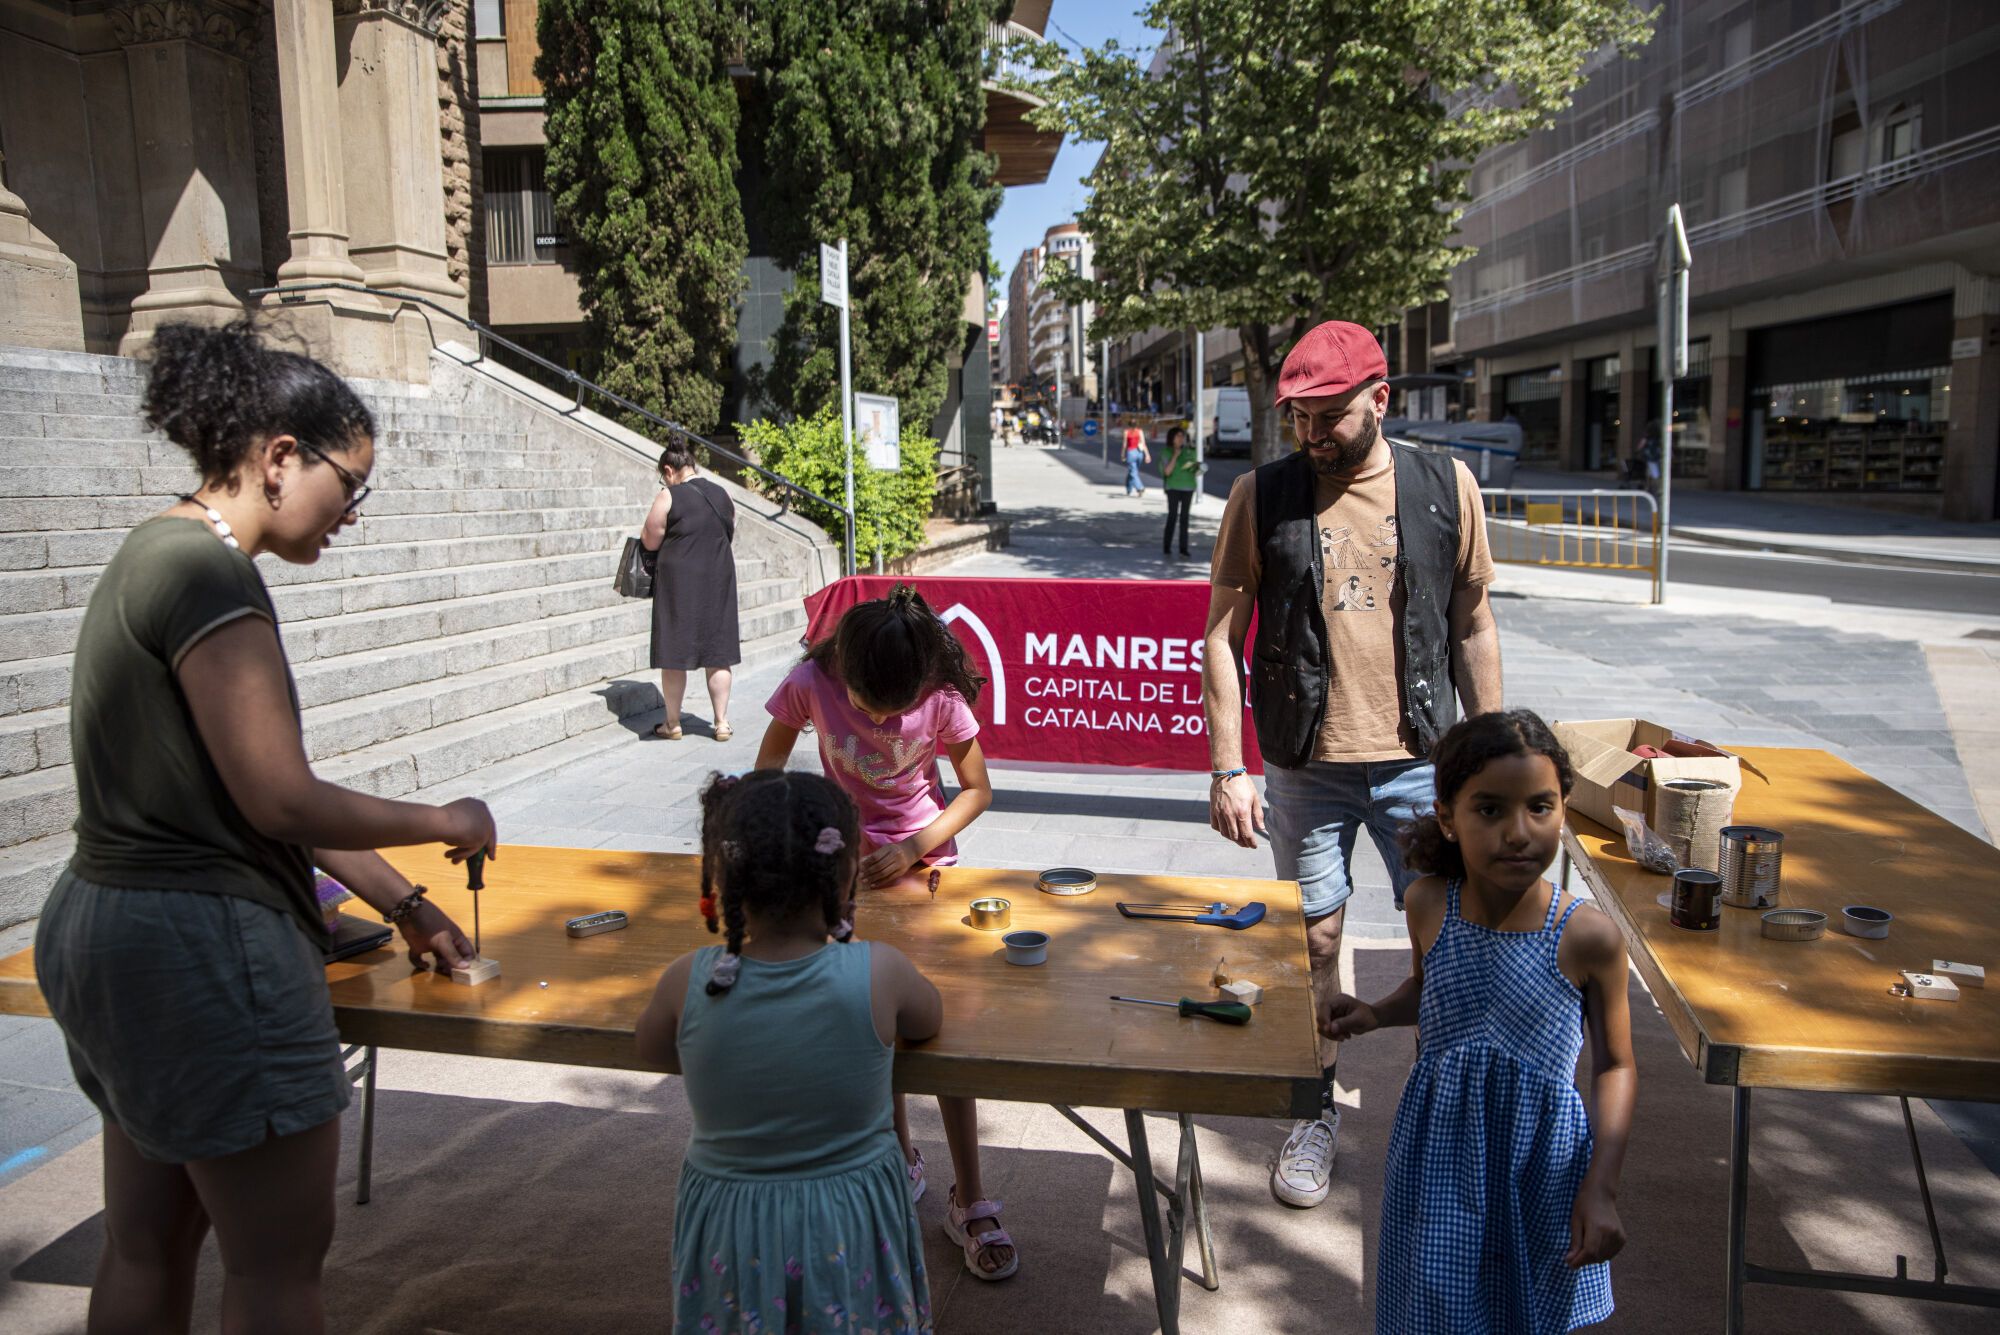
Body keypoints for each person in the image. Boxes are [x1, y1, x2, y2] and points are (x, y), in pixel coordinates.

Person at [34, 320, 496, 1333]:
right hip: (202, 952)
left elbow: (240, 790)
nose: (353, 515)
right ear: (280, 458)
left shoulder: (152, 552)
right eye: (352, 485)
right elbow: (278, 799)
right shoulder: (208, 575)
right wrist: (442, 818)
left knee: (145, 1241)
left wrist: (402, 901)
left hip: (107, 928)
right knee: (276, 1270)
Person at [1200, 319, 1502, 1210]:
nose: (1311, 434)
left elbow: (1474, 624)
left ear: (1381, 400)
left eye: (1328, 416)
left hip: (1422, 763)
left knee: (1444, 941)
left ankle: (1439, 1119)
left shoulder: (1447, 485)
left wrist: (1494, 762)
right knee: (1317, 940)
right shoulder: (1262, 494)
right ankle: (1315, 1107)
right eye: (1298, 417)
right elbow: (1222, 636)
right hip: (1306, 765)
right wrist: (1229, 765)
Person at [1322, 710, 1635, 1332]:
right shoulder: (1428, 902)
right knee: (1436, 1304)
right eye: (1489, 810)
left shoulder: (1588, 937)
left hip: (1541, 1160)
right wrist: (1375, 1013)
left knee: (1532, 1305)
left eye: (1540, 807)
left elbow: (1617, 1064)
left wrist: (1601, 1187)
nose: (1519, 832)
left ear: (1564, 810)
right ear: (1447, 816)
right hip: (1437, 1152)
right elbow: (1432, 988)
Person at [753, 587, 1015, 1281]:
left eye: (897, 710)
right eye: (873, 706)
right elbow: (764, 778)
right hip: (844, 876)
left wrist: (914, 845)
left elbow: (976, 789)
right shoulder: (810, 682)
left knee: (943, 1027)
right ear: (842, 666)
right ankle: (900, 1159)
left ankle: (971, 1192)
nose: (884, 720)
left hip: (925, 869)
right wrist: (804, 843)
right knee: (871, 1023)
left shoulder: (940, 695)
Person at [635, 770, 943, 1334]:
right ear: (847, 872)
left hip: (732, 1220)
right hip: (848, 1216)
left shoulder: (690, 980)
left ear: (723, 875)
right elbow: (929, 1018)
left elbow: (653, 1050)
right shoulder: (879, 972)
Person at [642, 438, 740, 742]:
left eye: (664, 476)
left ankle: (672, 723)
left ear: (670, 470)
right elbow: (729, 530)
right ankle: (721, 722)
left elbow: (650, 540)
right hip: (719, 579)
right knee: (718, 652)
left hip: (678, 585)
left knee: (674, 653)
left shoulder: (668, 496)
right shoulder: (722, 493)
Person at [1160, 425, 1198, 558]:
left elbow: (1195, 469)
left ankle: (1183, 548)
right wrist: (1175, 456)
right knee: (1172, 516)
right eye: (1178, 436)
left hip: (1188, 487)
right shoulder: (1166, 452)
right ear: (1172, 438)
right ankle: (1167, 546)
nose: (1181, 439)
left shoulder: (1189, 451)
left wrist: (1198, 468)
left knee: (1185, 518)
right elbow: (1167, 471)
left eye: (1183, 436)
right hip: (1173, 488)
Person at [1122, 423, 1151, 497]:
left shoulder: (1126, 432)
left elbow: (1125, 444)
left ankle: (1140, 487)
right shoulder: (1140, 431)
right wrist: (1147, 454)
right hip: (1139, 453)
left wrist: (1122, 454)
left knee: (1132, 472)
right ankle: (1129, 489)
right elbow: (1143, 444)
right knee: (1133, 471)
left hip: (1131, 452)